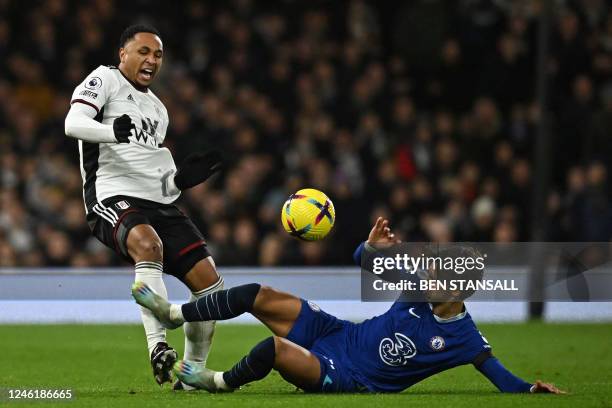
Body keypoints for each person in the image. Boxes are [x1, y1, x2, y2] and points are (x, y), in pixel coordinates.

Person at [131, 217, 565, 394]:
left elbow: (502, 378)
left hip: (349, 376)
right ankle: (173, 314)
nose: (430, 275)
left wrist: (530, 389)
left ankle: (219, 382)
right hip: (335, 333)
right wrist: (371, 246)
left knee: (272, 350)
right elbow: (363, 260)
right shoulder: (417, 287)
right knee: (255, 294)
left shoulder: (465, 338)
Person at [64, 24, 224, 388]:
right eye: (143, 51)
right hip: (110, 195)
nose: (151, 59)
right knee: (148, 245)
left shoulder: (158, 110)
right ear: (123, 54)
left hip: (156, 201)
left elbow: (159, 179)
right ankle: (158, 347)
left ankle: (191, 373)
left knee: (209, 281)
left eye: (158, 55)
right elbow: (72, 123)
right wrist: (110, 132)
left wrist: (181, 180)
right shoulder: (104, 79)